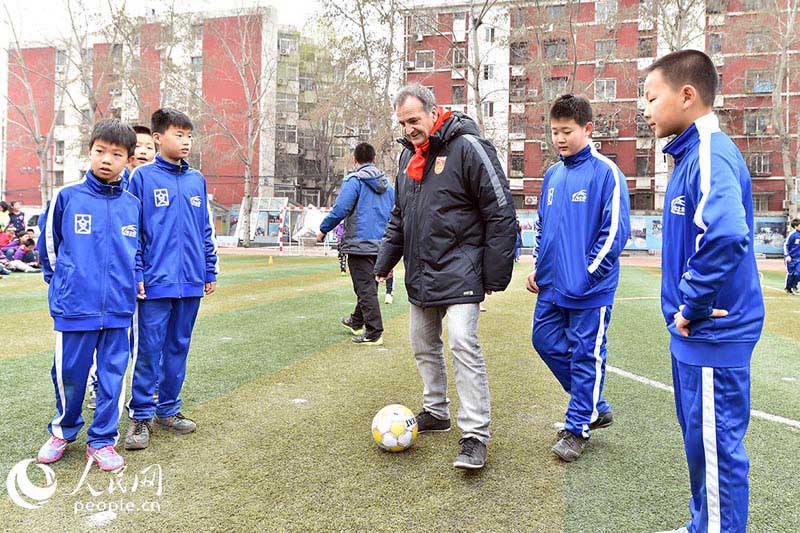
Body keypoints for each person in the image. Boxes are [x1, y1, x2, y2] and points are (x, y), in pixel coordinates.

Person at [644, 50, 764, 533]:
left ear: (687, 96)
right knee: (702, 444)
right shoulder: (691, 155)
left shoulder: (712, 151)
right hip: (696, 335)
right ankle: (704, 524)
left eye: (652, 98)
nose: (646, 109)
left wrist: (692, 302)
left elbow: (727, 233)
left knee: (715, 450)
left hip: (714, 331)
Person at [375, 84, 517, 469]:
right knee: (421, 341)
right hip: (422, 272)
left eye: (414, 120)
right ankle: (436, 411)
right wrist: (383, 263)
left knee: (461, 342)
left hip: (462, 268)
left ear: (433, 112)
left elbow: (500, 210)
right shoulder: (408, 162)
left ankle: (475, 434)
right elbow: (399, 219)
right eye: (402, 123)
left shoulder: (469, 147)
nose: (408, 129)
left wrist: (494, 274)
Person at [527, 95, 630, 462]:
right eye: (554, 132)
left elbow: (615, 233)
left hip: (590, 291)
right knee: (543, 340)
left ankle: (576, 429)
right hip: (552, 286)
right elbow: (544, 228)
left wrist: (586, 276)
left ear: (587, 129)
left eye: (566, 131)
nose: (559, 138)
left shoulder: (606, 174)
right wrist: (539, 268)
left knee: (587, 356)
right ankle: (594, 404)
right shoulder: (553, 175)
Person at [35, 119, 141, 472]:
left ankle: (102, 441)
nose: (106, 159)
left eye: (116, 154)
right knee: (69, 372)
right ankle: (63, 430)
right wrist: (61, 284)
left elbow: (136, 251)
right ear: (89, 152)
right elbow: (49, 247)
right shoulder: (67, 197)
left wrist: (134, 280)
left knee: (112, 376)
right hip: (75, 306)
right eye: (100, 151)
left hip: (119, 308)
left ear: (128, 159)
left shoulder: (132, 205)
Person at [125, 108, 219, 451]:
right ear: (157, 138)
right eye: (178, 135)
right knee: (149, 349)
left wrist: (209, 269)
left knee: (178, 346)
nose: (185, 142)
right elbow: (132, 230)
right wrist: (137, 272)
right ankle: (139, 415)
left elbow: (204, 230)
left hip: (191, 280)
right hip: (154, 282)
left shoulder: (197, 179)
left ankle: (168, 409)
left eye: (189, 136)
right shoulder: (142, 179)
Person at [317, 142, 394, 345]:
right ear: (374, 159)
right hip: (383, 243)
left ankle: (374, 332)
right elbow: (396, 213)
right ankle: (356, 321)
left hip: (360, 243)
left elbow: (341, 208)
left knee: (364, 288)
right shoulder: (388, 185)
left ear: (355, 159)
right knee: (369, 285)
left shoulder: (354, 180)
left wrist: (324, 229)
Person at [783, 218, 800, 294]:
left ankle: (794, 286)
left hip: (799, 258)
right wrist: (787, 255)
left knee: (798, 273)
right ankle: (788, 287)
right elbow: (786, 245)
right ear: (796, 226)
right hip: (791, 258)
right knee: (791, 274)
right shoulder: (792, 235)